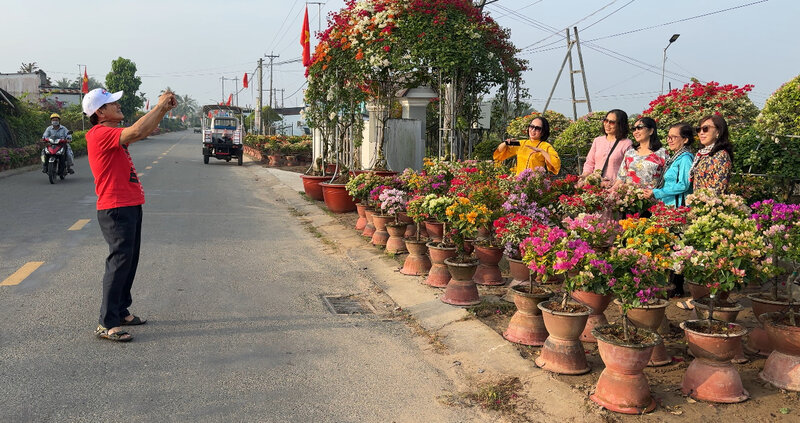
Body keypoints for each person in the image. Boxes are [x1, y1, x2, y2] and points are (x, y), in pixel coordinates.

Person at [83, 88, 177, 342]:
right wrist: (158, 106)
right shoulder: (99, 133)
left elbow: (143, 130)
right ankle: (106, 322)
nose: (118, 104)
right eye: (112, 102)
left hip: (129, 203)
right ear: (100, 112)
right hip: (115, 207)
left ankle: (121, 310)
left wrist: (164, 109)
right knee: (119, 262)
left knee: (129, 260)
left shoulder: (111, 133)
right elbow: (136, 130)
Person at [644, 123, 694, 207]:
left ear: (685, 139)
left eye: (674, 137)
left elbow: (683, 185)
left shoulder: (685, 158)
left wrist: (656, 192)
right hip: (668, 205)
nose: (669, 140)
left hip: (679, 208)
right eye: (669, 137)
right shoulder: (674, 158)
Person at [580, 109, 632, 186]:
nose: (607, 124)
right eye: (605, 121)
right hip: (596, 186)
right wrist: (584, 176)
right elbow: (590, 163)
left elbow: (629, 169)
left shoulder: (626, 143)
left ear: (620, 124)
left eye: (612, 122)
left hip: (614, 188)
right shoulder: (597, 141)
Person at [494, 116, 561, 175]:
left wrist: (541, 151)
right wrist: (505, 143)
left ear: (543, 132)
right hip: (519, 182)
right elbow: (498, 154)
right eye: (531, 126)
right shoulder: (521, 143)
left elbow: (556, 163)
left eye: (537, 128)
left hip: (534, 183)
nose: (533, 130)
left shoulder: (545, 146)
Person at [613, 117, 668, 189]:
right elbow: (621, 178)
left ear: (651, 131)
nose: (636, 132)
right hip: (631, 198)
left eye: (639, 128)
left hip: (653, 198)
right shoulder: (629, 153)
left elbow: (667, 179)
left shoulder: (662, 153)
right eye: (634, 129)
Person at [690, 115, 733, 194]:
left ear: (718, 132)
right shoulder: (702, 155)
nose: (701, 133)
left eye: (706, 129)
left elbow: (719, 189)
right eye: (698, 129)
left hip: (711, 204)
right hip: (698, 203)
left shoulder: (721, 155)